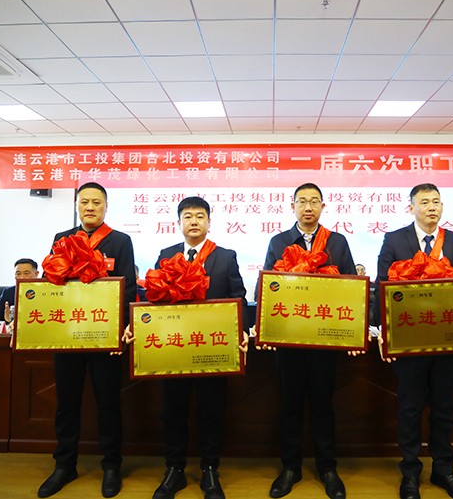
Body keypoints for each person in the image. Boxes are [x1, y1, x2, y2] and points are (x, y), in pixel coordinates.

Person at [37, 182, 137, 499]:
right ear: (77, 206)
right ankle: (65, 465)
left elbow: (129, 289)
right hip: (67, 336)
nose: (90, 207)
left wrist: (121, 329)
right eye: (84, 202)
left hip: (105, 338)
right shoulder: (62, 239)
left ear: (106, 206)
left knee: (108, 403)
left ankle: (111, 465)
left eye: (96, 202)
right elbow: (51, 283)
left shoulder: (120, 241)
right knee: (66, 403)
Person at [375, 183, 453, 499]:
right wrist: (382, 332)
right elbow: (382, 287)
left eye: (436, 202)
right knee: (410, 407)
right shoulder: (394, 239)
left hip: (447, 340)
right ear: (411, 208)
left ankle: (444, 470)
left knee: (444, 407)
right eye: (425, 202)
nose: (432, 207)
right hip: (409, 340)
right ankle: (410, 473)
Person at [148, 197, 247, 499]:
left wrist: (242, 331)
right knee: (173, 411)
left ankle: (210, 470)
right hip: (175, 348)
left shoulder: (225, 257)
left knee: (211, 411)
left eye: (200, 216)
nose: (194, 221)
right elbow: (153, 298)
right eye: (188, 216)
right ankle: (174, 469)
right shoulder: (166, 255)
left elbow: (239, 297)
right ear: (178, 223)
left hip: (211, 348)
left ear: (209, 222)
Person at [262, 183, 355, 499]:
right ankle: (290, 467)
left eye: (314, 201)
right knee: (289, 405)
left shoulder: (337, 242)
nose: (308, 207)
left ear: (323, 206)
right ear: (292, 207)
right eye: (302, 201)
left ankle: (328, 468)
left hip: (324, 339)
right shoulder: (279, 241)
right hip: (289, 339)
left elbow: (350, 286)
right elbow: (269, 287)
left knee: (323, 405)